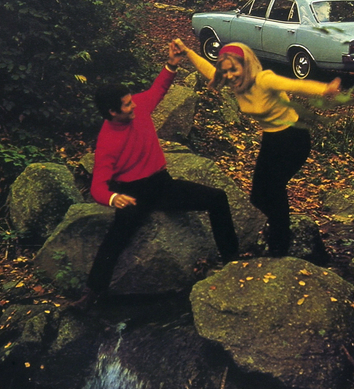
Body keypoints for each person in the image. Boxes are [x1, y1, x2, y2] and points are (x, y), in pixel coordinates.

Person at [81, 40, 239, 304]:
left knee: (218, 198)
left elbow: (159, 89)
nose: (134, 106)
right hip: (133, 193)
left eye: (131, 101)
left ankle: (232, 261)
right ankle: (94, 292)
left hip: (162, 185)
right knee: (115, 239)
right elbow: (98, 185)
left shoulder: (139, 107)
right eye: (127, 105)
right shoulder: (107, 142)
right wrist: (112, 199)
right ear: (112, 112)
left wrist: (172, 63)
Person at [172, 39, 340, 257]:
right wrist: (186, 51)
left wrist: (325, 89)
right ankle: (270, 231)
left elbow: (294, 85)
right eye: (227, 71)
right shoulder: (234, 82)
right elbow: (208, 70)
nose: (230, 75)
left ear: (246, 64)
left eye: (234, 69)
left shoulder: (264, 79)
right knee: (258, 196)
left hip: (293, 139)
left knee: (274, 188)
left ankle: (280, 244)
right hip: (271, 140)